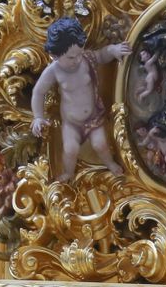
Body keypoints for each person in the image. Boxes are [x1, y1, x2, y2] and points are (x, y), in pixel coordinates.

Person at [31, 17, 130, 180]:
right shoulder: (53, 71)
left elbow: (102, 55)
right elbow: (38, 92)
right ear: (55, 55)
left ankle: (110, 163)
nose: (77, 60)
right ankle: (69, 173)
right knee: (70, 150)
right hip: (72, 123)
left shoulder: (86, 59)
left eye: (79, 53)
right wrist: (38, 117)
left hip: (93, 118)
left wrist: (113, 50)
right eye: (71, 57)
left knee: (101, 144)